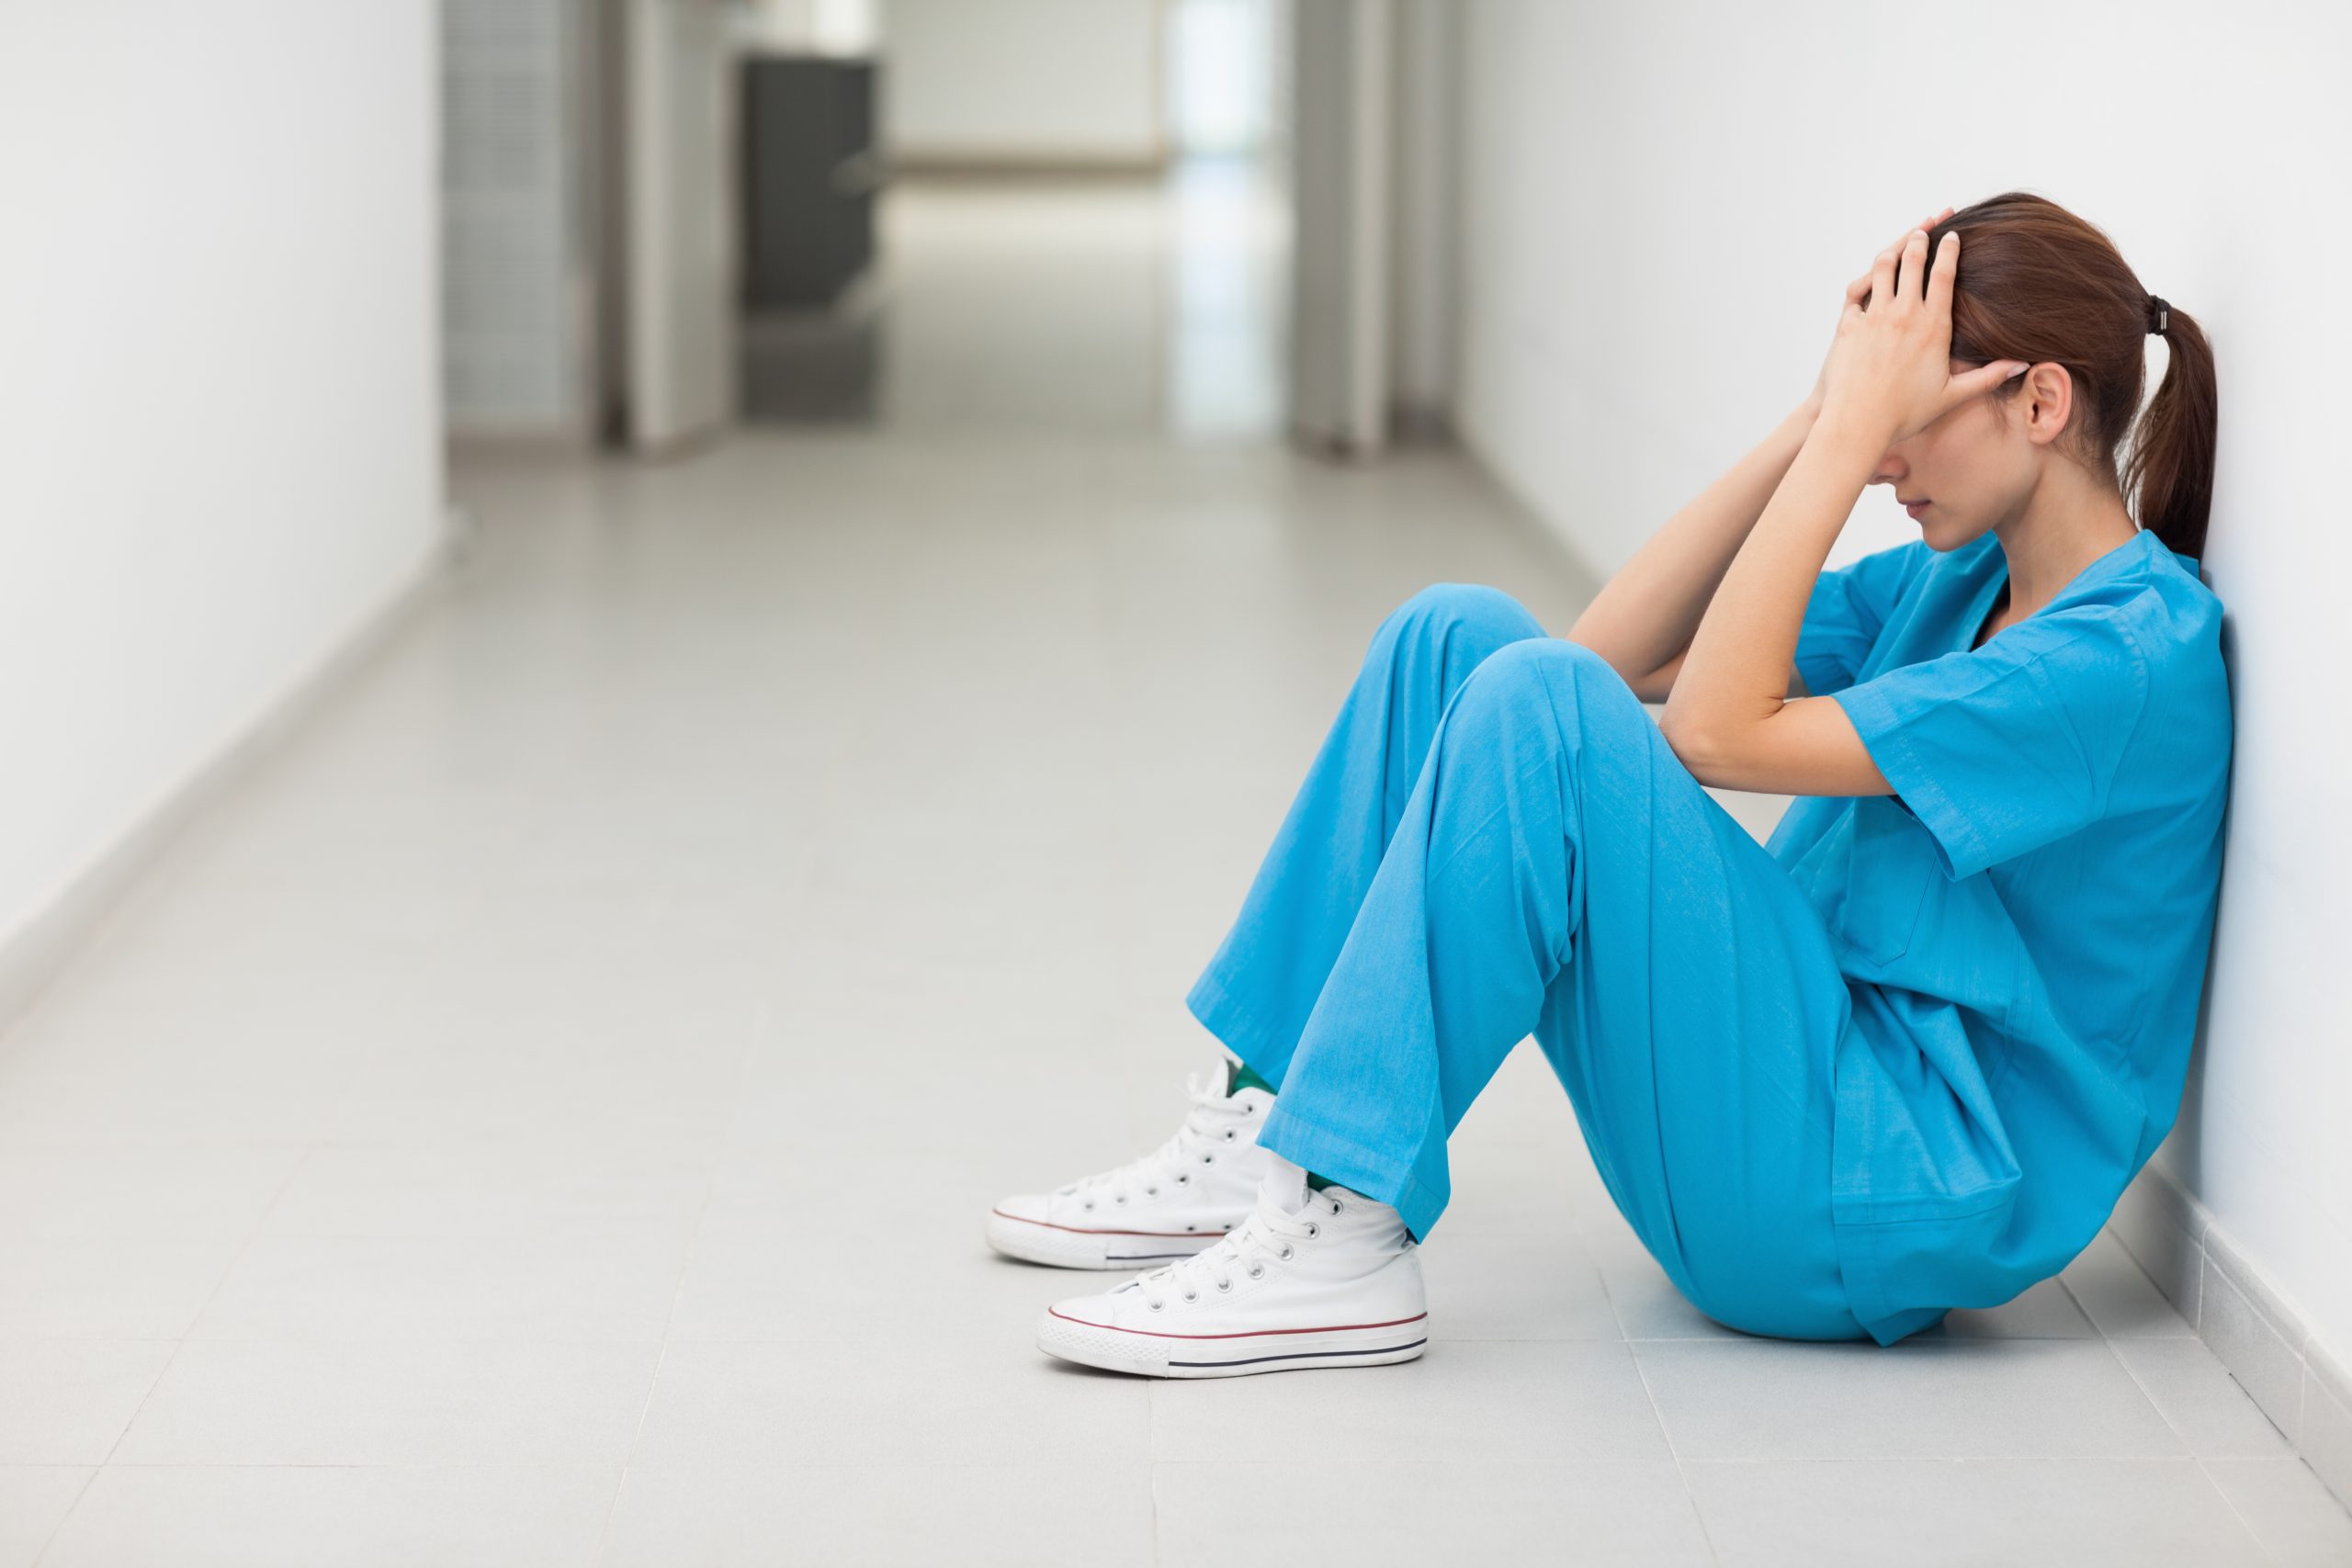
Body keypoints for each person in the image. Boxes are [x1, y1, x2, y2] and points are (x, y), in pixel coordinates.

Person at [987, 191, 2231, 1378]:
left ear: (2042, 403)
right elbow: (1606, 653)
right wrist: (1814, 421)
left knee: (1541, 703)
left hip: (1871, 1193)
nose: (1883, 462)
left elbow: (1711, 732)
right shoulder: (1958, 583)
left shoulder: (2122, 660)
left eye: (1909, 417)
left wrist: (1850, 436)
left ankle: (1344, 1224)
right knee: (1457, 638)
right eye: (1877, 417)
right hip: (1799, 1082)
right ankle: (1267, 1127)